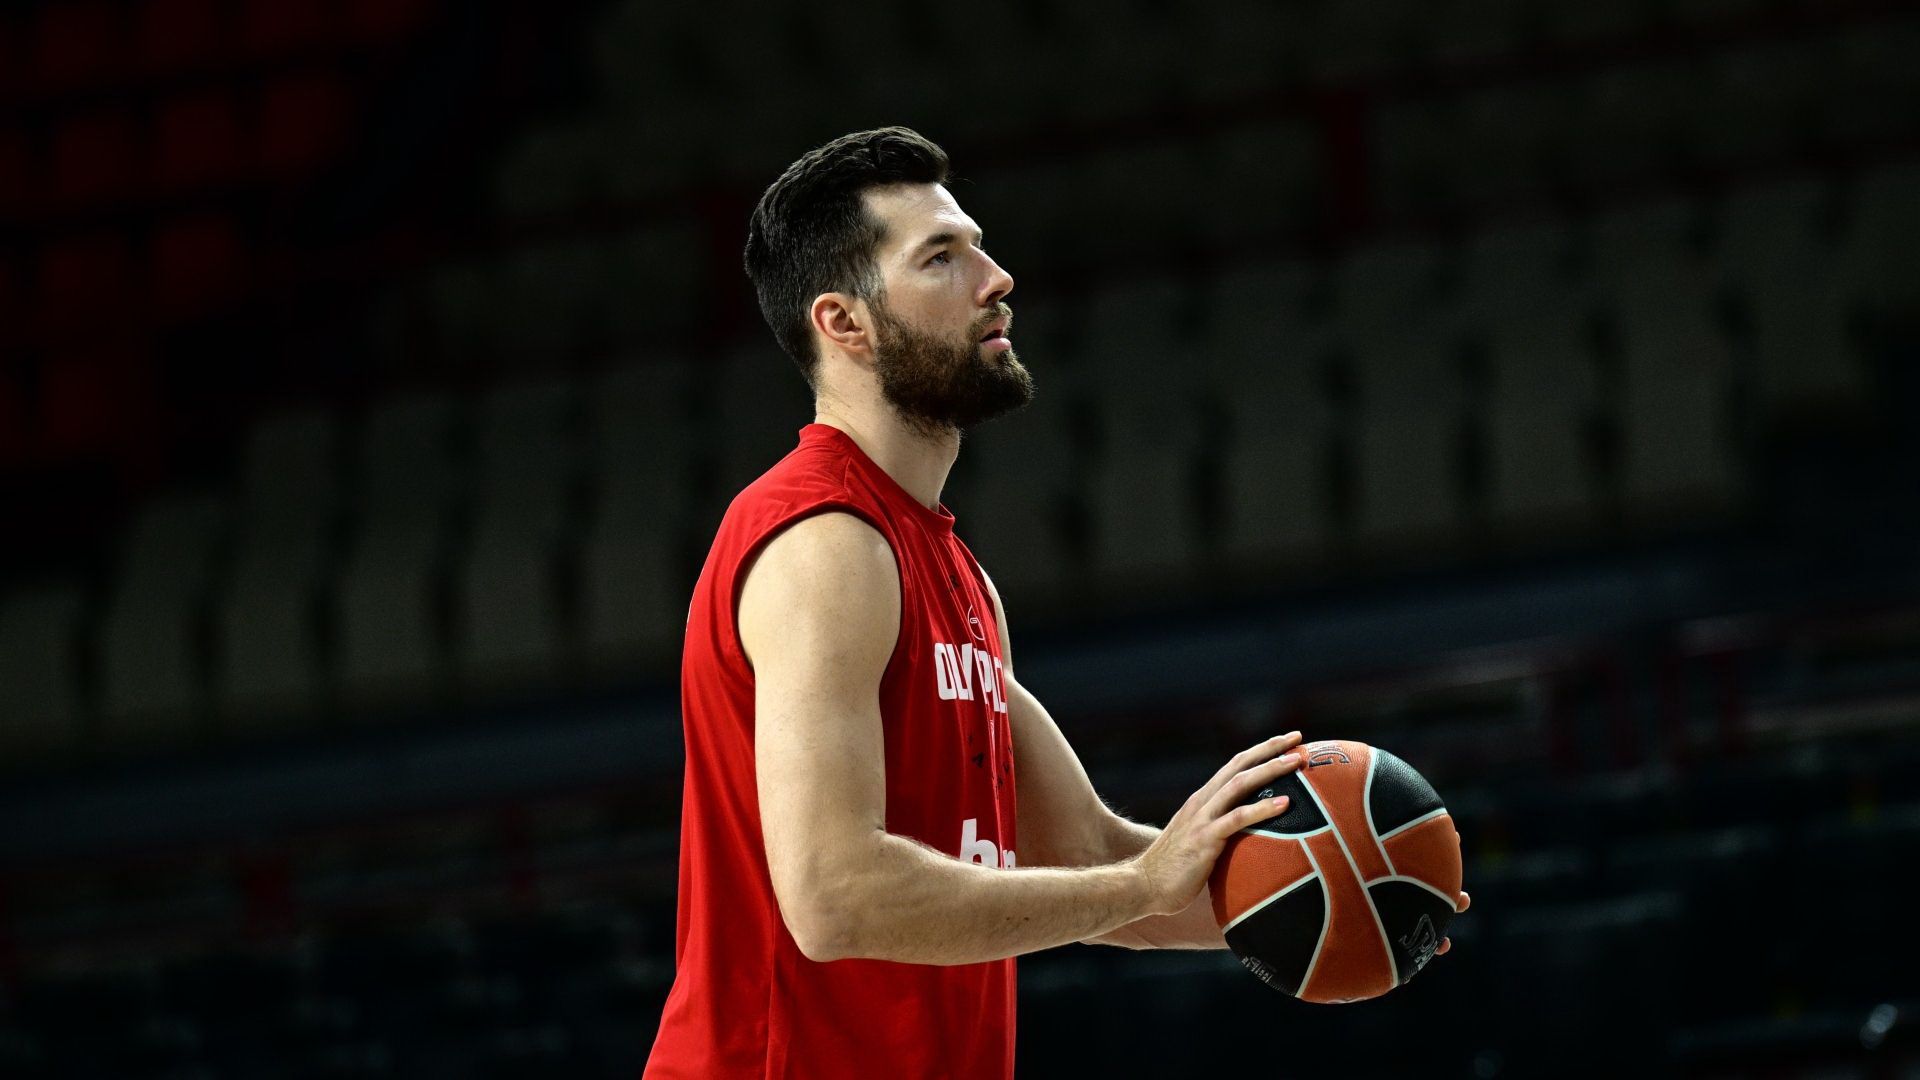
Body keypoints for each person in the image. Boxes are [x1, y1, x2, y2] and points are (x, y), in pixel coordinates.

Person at [641, 126, 1461, 1079]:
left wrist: (1347, 894)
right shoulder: (824, 542)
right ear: (845, 323)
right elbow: (834, 897)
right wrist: (1135, 883)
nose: (997, 280)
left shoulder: (955, 575)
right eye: (941, 258)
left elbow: (1090, 857)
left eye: (979, 248)